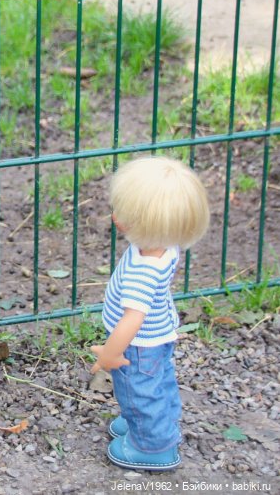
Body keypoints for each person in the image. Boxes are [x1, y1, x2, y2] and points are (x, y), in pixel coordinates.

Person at [90, 155, 210, 471]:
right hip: (158, 335)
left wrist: (110, 354)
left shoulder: (142, 271)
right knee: (159, 380)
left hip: (138, 344)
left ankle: (153, 445)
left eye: (122, 212)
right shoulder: (165, 245)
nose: (115, 216)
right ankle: (160, 423)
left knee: (137, 390)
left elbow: (133, 318)